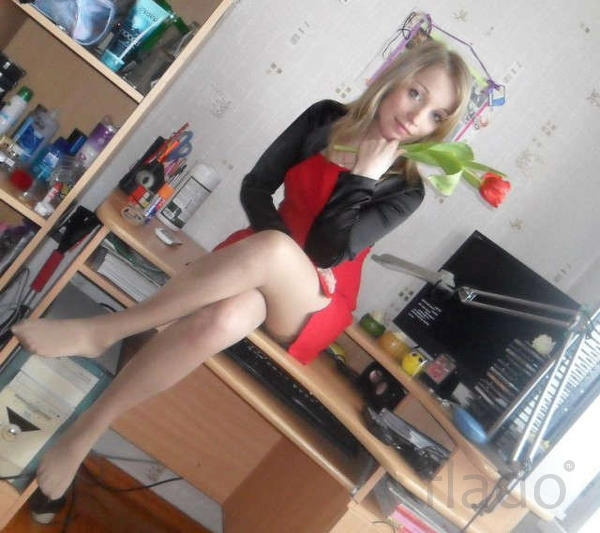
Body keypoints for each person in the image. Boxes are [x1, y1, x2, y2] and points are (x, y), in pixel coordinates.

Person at [12, 39, 471, 499]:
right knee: (223, 318)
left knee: (272, 253)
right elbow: (256, 187)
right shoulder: (324, 118)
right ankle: (86, 430)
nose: (417, 116)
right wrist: (275, 251)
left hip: (315, 296)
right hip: (259, 256)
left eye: (436, 115)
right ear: (393, 78)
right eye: (416, 93)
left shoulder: (406, 189)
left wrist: (363, 178)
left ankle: (106, 330)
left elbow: (326, 252)